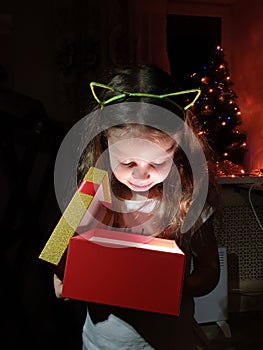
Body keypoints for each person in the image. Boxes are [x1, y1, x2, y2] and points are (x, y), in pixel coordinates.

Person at [54, 64, 220, 349]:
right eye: (127, 162)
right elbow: (55, 254)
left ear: (177, 149)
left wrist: (168, 289)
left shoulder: (186, 198)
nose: (141, 175)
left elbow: (210, 272)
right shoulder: (90, 192)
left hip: (169, 341)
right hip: (105, 344)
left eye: (157, 163)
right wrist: (65, 280)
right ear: (105, 143)